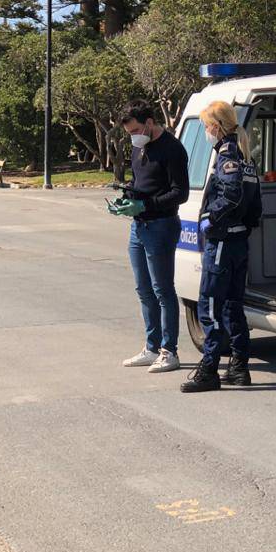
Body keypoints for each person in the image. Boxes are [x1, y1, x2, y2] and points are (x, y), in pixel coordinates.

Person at [181, 101, 262, 393]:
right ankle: (239, 367)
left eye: (206, 127)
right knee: (232, 306)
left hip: (223, 242)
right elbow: (255, 207)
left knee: (211, 306)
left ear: (216, 127)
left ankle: (210, 369)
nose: (206, 132)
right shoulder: (245, 157)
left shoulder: (227, 156)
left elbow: (230, 194)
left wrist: (210, 219)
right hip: (238, 241)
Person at [112, 100, 189, 373]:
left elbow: (180, 192)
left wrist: (147, 205)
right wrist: (127, 196)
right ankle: (151, 346)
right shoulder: (139, 147)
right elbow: (139, 181)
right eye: (129, 133)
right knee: (143, 290)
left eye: (135, 130)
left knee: (162, 290)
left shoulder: (172, 149)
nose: (133, 136)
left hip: (161, 225)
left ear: (149, 122)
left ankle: (170, 351)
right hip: (139, 226)